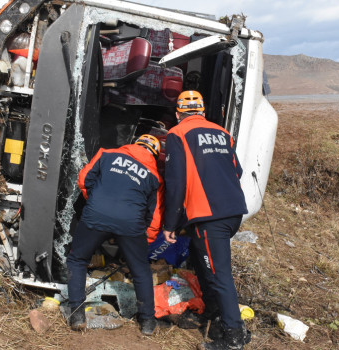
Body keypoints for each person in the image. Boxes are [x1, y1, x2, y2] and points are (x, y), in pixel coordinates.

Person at [162, 90, 249, 350]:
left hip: (210, 216)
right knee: (203, 261)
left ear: (178, 114)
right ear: (202, 112)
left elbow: (175, 183)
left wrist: (170, 225)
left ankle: (234, 337)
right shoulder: (222, 133)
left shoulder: (177, 134)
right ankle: (212, 311)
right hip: (232, 211)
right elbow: (238, 170)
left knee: (220, 274)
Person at [66, 134, 164, 335]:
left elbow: (84, 180)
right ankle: (147, 323)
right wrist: (145, 241)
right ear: (154, 155)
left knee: (77, 260)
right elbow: (155, 215)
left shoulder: (107, 154)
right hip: (131, 223)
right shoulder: (155, 177)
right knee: (141, 271)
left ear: (133, 144)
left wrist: (97, 202)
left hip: (96, 214)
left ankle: (77, 315)